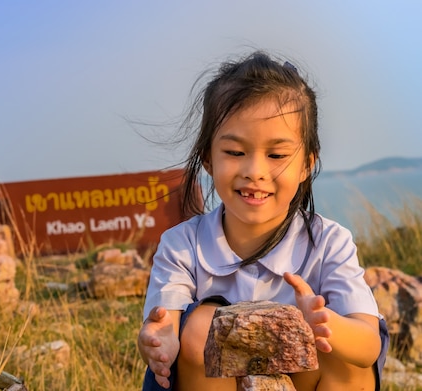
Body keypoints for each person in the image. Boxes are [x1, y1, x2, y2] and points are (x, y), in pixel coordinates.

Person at [137, 51, 388, 391]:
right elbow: (163, 322)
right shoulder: (182, 245)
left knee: (342, 353)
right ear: (207, 159)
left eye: (277, 155)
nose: (255, 171)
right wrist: (159, 340)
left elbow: (368, 345)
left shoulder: (329, 242)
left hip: (308, 379)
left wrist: (326, 325)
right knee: (197, 331)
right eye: (235, 152)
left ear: (306, 165)